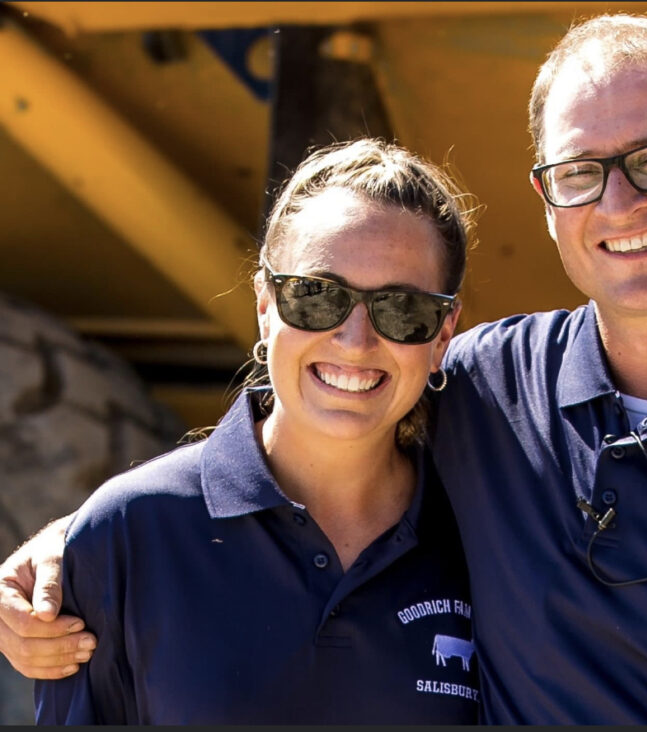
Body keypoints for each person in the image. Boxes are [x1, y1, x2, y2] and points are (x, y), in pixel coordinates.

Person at [1, 13, 647, 725]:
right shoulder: (487, 390)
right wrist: (77, 546)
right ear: (544, 200)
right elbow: (315, 420)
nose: (617, 203)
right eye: (578, 172)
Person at [28, 138, 481, 723]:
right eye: (317, 296)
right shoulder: (127, 536)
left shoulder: (487, 536)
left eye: (403, 309)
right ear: (265, 306)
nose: (355, 340)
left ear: (443, 333)